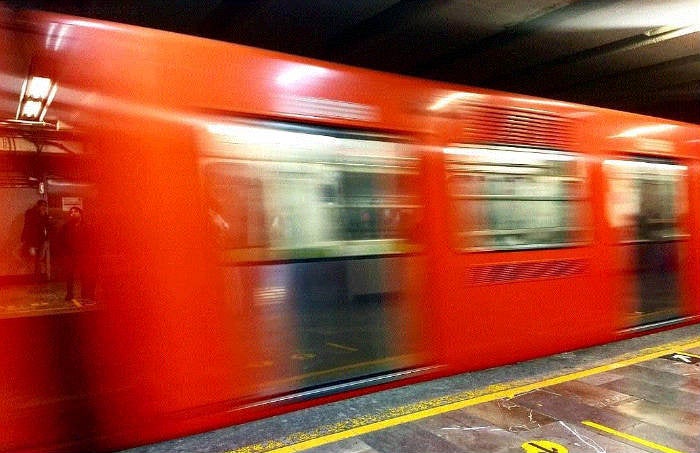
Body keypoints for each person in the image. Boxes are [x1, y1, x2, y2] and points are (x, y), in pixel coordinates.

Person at [61, 206, 96, 304]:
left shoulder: (87, 225)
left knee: (84, 275)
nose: (73, 213)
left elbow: (90, 240)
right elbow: (62, 239)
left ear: (80, 213)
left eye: (75, 211)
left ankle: (84, 293)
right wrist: (65, 252)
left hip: (83, 254)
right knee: (69, 275)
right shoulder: (67, 226)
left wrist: (89, 252)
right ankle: (69, 294)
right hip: (71, 254)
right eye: (71, 212)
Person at [21, 199, 51, 281]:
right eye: (43, 206)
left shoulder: (43, 215)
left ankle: (37, 277)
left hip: (41, 240)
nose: (44, 208)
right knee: (36, 259)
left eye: (45, 206)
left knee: (38, 259)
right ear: (38, 206)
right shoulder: (33, 214)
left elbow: (45, 227)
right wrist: (30, 243)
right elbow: (30, 228)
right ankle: (36, 277)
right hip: (34, 241)